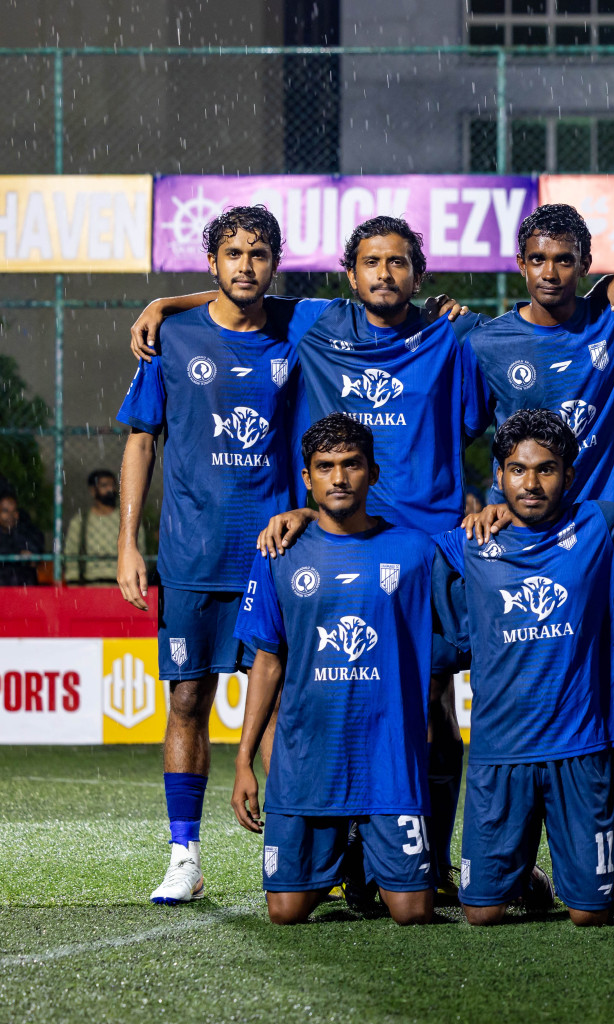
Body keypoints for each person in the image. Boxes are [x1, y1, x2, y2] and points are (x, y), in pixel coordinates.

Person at [130, 214, 482, 897]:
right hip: (324, 545)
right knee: (318, 700)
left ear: (419, 273)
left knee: (433, 700)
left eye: (399, 262)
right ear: (350, 277)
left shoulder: (452, 331)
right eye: (372, 263)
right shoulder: (320, 323)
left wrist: (609, 282)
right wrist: (164, 303)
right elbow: (242, 297)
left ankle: (426, 858)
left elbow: (539, 317)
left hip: (425, 552)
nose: (385, 273)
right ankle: (331, 858)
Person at [116, 205, 304, 905]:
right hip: (192, 556)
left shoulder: (298, 331)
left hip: (275, 556)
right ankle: (184, 857)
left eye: (259, 253)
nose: (245, 265)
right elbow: (141, 439)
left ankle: (289, 855)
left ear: (274, 264)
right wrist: (129, 541)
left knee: (284, 706)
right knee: (189, 698)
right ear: (213, 263)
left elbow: (371, 301)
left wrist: (165, 295)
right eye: (232, 254)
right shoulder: (174, 337)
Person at [432, 411, 614, 926]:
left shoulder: (601, 525)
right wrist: (308, 518)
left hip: (580, 747)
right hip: (499, 751)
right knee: (482, 915)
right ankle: (526, 877)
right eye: (517, 469)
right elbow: (381, 544)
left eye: (547, 469)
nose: (530, 483)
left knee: (590, 915)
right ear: (499, 475)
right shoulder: (467, 544)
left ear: (570, 476)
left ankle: (611, 872)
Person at [230, 414, 440, 926]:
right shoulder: (278, 551)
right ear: (308, 478)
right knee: (285, 912)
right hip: (307, 761)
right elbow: (267, 661)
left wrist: (493, 512)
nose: (339, 478)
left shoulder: (418, 552)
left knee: (412, 913)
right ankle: (349, 854)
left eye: (351, 465)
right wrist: (242, 760)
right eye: (325, 467)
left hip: (387, 760)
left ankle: (364, 858)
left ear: (372, 472)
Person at [469, 203, 614, 507]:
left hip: (606, 525)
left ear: (584, 265)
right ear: (522, 264)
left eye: (563, 260)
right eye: (538, 259)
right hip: (522, 524)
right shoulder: (486, 343)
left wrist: (609, 281)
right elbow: (456, 434)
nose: (549, 273)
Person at [65, 469, 139, 584]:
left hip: (122, 584)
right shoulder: (80, 522)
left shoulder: (128, 520)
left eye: (112, 485)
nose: (110, 489)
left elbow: (139, 551)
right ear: (93, 490)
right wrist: (73, 581)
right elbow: (71, 555)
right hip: (89, 583)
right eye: (104, 485)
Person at [0, 492, 44, 586]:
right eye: (5, 511)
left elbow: (35, 551)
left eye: (14, 511)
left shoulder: (24, 531)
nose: (10, 515)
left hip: (23, 588)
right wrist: (17, 553)